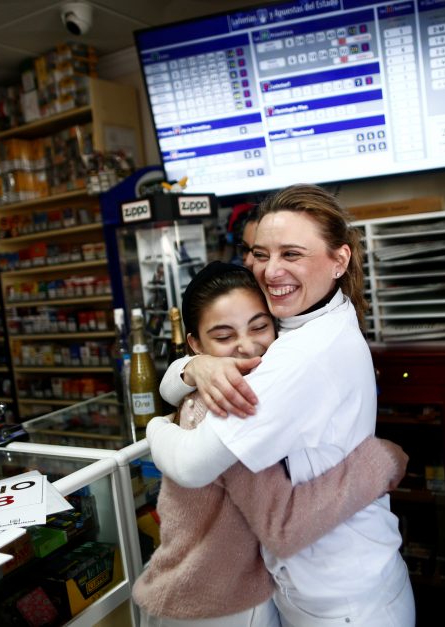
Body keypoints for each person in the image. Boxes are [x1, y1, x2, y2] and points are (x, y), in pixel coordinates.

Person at [148, 184, 415, 626]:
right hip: (325, 586)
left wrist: (153, 430)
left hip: (343, 604)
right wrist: (194, 367)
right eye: (260, 253)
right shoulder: (312, 318)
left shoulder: (304, 354)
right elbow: (175, 379)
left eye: (292, 254)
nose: (271, 271)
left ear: (339, 259)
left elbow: (193, 464)